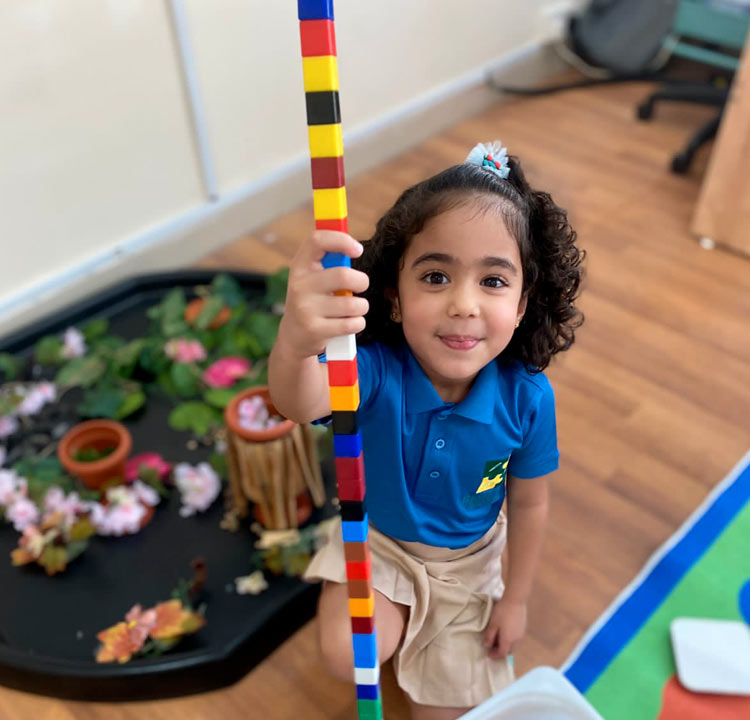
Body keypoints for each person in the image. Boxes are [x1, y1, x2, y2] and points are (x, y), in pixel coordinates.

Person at [268, 141, 584, 720]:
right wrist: (295, 339)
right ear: (394, 296)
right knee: (351, 655)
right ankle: (396, 628)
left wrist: (515, 600)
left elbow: (531, 503)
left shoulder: (528, 398)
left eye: (493, 282)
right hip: (380, 547)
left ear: (522, 304)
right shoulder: (374, 371)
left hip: (468, 570)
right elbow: (298, 401)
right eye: (436, 276)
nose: (463, 305)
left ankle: (429, 639)